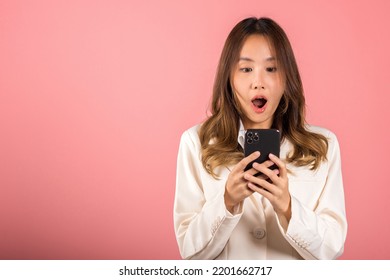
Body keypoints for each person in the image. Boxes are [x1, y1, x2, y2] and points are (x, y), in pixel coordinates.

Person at [173, 17, 347, 260]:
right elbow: (190, 252)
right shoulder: (195, 144)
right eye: (246, 69)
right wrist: (226, 202)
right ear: (229, 78)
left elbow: (331, 248)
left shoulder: (323, 147)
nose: (258, 83)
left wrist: (287, 207)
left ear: (287, 78)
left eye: (271, 69)